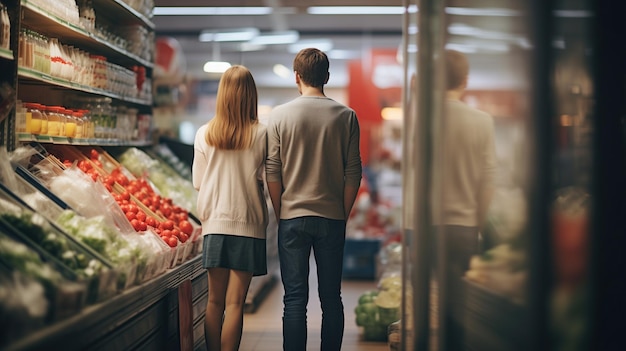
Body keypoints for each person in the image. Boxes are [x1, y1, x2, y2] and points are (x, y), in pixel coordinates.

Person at [266, 48, 362, 351]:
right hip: (331, 218)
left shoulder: (279, 116)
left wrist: (281, 212)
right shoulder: (347, 117)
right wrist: (341, 213)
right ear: (327, 78)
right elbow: (354, 173)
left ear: (297, 77)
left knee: (294, 299)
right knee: (331, 298)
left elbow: (272, 171)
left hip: (292, 218)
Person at [191, 65, 268, 351]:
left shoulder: (204, 134)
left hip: (215, 223)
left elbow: (198, 182)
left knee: (214, 301)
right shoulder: (262, 134)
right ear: (251, 95)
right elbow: (267, 179)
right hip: (248, 223)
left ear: (222, 95)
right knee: (236, 303)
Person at [432, 49, 497, 351]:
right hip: (465, 225)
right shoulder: (482, 121)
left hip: (427, 226)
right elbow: (488, 179)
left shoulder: (424, 119)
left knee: (432, 303)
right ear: (465, 80)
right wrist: (479, 223)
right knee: (460, 305)